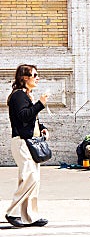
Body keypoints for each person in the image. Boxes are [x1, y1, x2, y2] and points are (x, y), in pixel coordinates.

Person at [5, 64, 49, 227]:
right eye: (34, 75)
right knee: (31, 177)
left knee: (33, 180)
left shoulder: (26, 95)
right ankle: (12, 212)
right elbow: (23, 116)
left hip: (31, 142)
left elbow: (31, 118)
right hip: (22, 142)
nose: (38, 78)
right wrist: (40, 104)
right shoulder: (18, 96)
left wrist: (42, 128)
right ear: (24, 78)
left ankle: (29, 216)